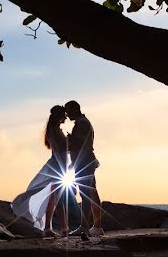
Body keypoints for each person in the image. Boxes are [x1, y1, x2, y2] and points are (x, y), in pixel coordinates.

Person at [11, 105, 70, 238]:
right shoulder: (54, 130)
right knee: (56, 199)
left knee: (55, 199)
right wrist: (69, 140)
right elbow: (62, 147)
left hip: (59, 165)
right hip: (58, 166)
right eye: (64, 115)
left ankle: (56, 227)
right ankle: (56, 228)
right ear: (59, 116)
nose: (66, 117)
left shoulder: (54, 130)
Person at [65, 100, 104, 237]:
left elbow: (79, 145)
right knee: (92, 193)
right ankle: (97, 227)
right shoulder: (84, 122)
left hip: (84, 163)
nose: (67, 114)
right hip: (86, 161)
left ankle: (84, 227)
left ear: (74, 110)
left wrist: (68, 141)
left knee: (85, 194)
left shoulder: (81, 124)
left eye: (68, 111)